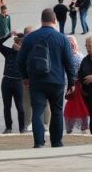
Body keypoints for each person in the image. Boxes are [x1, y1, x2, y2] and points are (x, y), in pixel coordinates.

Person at [16, 8, 75, 149]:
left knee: (37, 111)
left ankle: (39, 143)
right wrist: (71, 82)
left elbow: (20, 60)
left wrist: (25, 77)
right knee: (56, 111)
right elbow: (69, 62)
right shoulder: (62, 38)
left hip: (37, 81)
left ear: (41, 20)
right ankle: (57, 142)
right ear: (55, 21)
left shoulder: (30, 37)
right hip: (57, 82)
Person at [0, 33, 26, 134]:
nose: (19, 44)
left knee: (20, 107)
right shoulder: (8, 52)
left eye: (22, 42)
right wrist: (8, 35)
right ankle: (8, 127)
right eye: (18, 42)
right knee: (7, 106)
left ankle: (22, 128)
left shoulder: (25, 54)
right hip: (7, 81)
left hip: (18, 82)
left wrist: (21, 50)